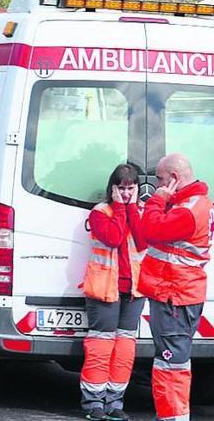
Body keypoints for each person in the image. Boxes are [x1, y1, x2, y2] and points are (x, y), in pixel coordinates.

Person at [139, 153, 212, 421]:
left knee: (171, 362)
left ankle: (173, 417)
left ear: (174, 178)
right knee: (173, 360)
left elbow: (151, 230)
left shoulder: (188, 209)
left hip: (175, 294)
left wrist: (157, 200)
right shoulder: (196, 203)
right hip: (178, 292)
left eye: (159, 179)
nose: (156, 184)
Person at [80, 164, 147, 421]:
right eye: (121, 188)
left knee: (124, 348)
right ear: (112, 188)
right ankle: (93, 403)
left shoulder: (138, 211)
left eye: (131, 188)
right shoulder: (101, 212)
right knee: (100, 347)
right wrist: (121, 208)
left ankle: (115, 402)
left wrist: (131, 209)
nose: (127, 193)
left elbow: (142, 240)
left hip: (133, 291)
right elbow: (114, 238)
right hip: (104, 290)